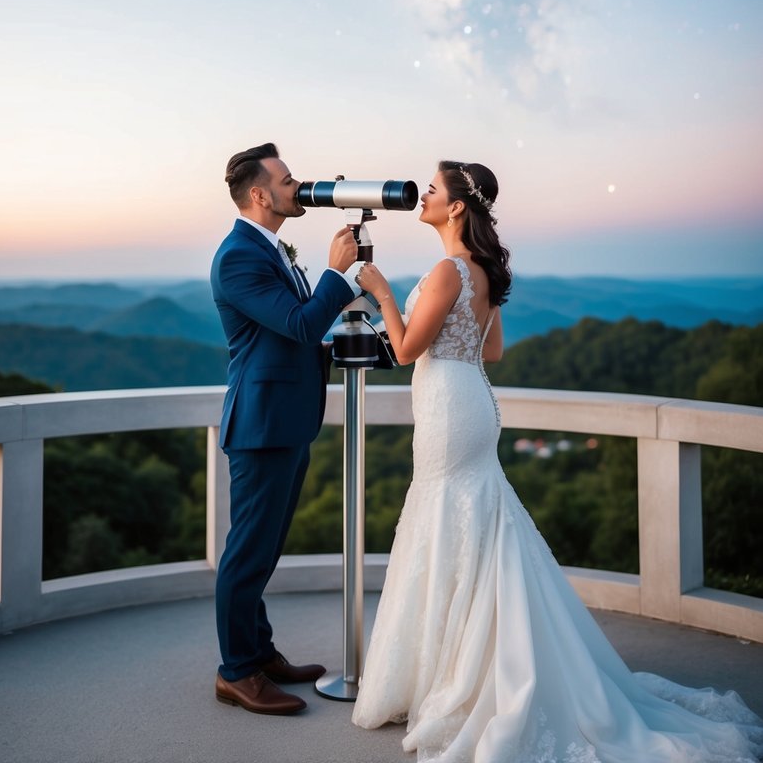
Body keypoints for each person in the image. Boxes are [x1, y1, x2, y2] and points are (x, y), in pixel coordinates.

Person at [351, 161, 763, 762]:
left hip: (447, 405)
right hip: (471, 399)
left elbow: (409, 348)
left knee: (447, 518)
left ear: (457, 207)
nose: (424, 197)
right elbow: (492, 348)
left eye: (433, 190)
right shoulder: (480, 273)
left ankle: (459, 668)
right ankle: (469, 661)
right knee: (473, 519)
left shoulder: (445, 270)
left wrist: (382, 292)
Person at [210, 142, 358, 716]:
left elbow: (296, 334)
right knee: (247, 553)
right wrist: (336, 272)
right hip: (262, 425)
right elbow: (297, 323)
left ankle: (260, 652)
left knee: (264, 549)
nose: (298, 187)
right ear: (258, 194)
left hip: (287, 420)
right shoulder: (238, 256)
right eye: (288, 180)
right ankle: (236, 673)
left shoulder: (270, 249)